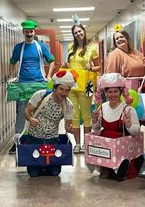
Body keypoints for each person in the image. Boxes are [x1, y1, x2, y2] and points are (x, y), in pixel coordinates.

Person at [8, 20, 55, 154]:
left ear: (34, 32)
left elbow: (51, 60)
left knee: (40, 112)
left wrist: (50, 76)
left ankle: (39, 139)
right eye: (27, 32)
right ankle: (17, 141)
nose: (29, 34)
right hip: (23, 85)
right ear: (23, 32)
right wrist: (12, 77)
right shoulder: (18, 47)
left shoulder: (41, 46)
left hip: (39, 83)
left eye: (31, 31)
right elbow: (12, 62)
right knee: (22, 113)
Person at [92, 73, 143, 180]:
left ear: (121, 92)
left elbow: (136, 132)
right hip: (106, 149)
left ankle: (123, 167)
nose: (113, 95)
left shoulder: (128, 109)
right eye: (109, 92)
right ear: (105, 93)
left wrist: (128, 124)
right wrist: (95, 120)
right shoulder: (102, 107)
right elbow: (96, 129)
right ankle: (109, 168)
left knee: (119, 173)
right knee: (105, 176)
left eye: (115, 91)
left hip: (124, 149)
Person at [24, 70, 75, 176]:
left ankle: (45, 165)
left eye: (67, 90)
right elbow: (27, 111)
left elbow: (67, 127)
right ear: (54, 88)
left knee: (55, 172)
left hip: (52, 140)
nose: (64, 93)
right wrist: (30, 118)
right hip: (34, 138)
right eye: (61, 89)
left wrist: (70, 129)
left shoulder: (68, 105)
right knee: (33, 173)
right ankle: (38, 166)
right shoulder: (40, 95)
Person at [62, 23, 101, 153]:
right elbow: (69, 64)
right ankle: (77, 144)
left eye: (80, 31)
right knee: (74, 115)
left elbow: (98, 67)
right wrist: (65, 65)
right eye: (75, 33)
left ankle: (87, 143)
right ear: (73, 35)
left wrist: (91, 67)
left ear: (84, 31)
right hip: (72, 84)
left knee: (86, 115)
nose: (78, 34)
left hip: (86, 85)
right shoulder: (70, 47)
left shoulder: (92, 48)